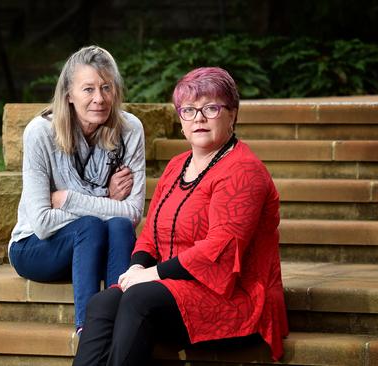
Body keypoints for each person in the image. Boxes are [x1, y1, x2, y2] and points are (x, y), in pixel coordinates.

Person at [73, 67, 288, 365]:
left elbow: (220, 248)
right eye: (188, 110)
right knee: (103, 302)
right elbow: (150, 234)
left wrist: (153, 274)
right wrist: (136, 270)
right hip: (173, 289)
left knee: (139, 299)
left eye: (211, 108)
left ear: (233, 114)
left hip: (232, 296)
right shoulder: (176, 166)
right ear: (181, 120)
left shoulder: (243, 170)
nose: (198, 117)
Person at [8, 46, 146, 336]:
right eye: (88, 89)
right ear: (68, 94)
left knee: (120, 227)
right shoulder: (40, 133)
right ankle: (90, 331)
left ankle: (122, 324)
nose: (99, 98)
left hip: (93, 244)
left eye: (106, 88)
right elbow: (43, 223)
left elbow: (133, 212)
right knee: (92, 226)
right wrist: (106, 200)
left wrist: (67, 199)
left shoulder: (130, 129)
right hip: (34, 247)